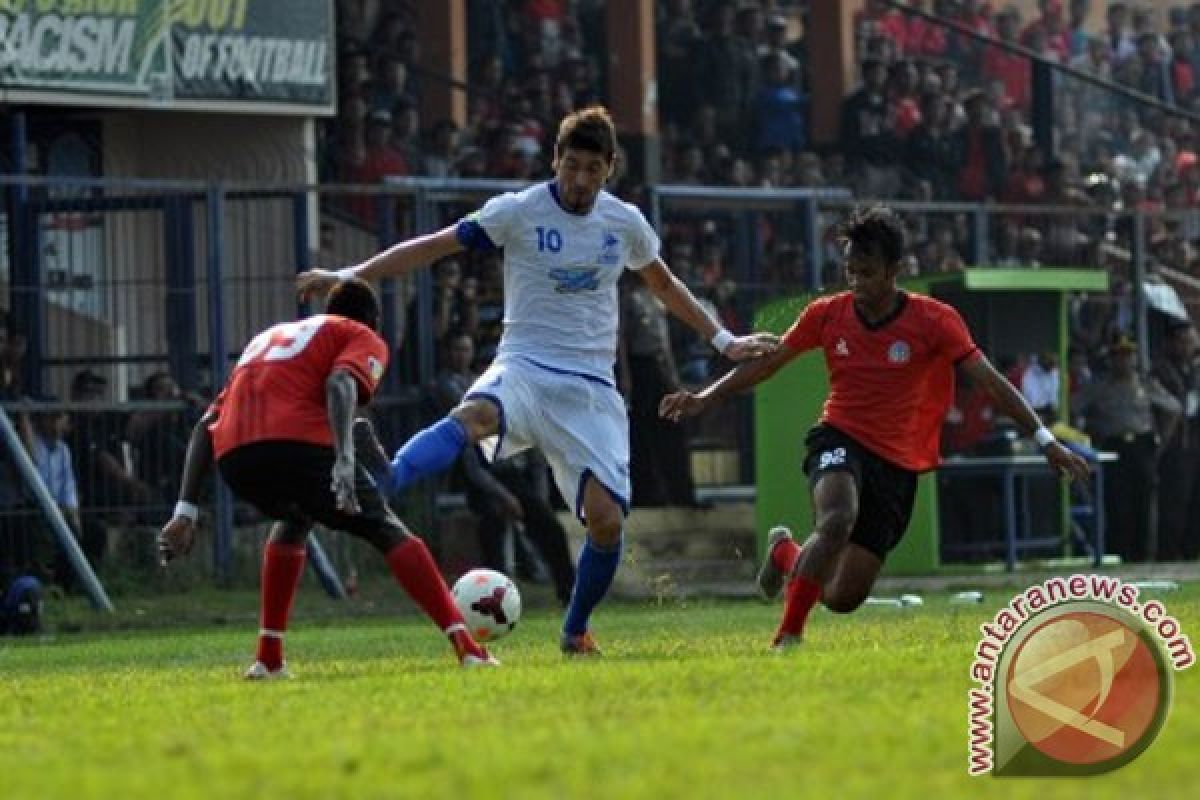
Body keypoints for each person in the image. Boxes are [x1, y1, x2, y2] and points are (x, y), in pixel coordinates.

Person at [297, 106, 777, 655]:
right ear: (555, 159)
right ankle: (376, 489)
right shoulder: (519, 212)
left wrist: (725, 342)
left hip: (591, 389)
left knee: (605, 522)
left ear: (609, 168)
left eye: (591, 169)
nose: (578, 180)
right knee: (472, 416)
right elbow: (433, 244)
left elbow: (664, 286)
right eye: (570, 165)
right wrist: (349, 275)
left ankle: (575, 631)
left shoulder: (623, 223)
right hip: (523, 364)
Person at [660, 207, 1090, 650]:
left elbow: (992, 383)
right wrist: (705, 397)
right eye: (850, 271)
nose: (856, 282)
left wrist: (1045, 440)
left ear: (894, 271)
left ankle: (785, 554)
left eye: (866, 272)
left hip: (897, 462)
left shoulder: (935, 321)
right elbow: (768, 363)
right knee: (836, 519)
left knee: (842, 596)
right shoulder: (827, 314)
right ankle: (787, 639)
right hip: (839, 436)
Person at [156, 279, 497, 677]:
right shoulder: (359, 334)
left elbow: (205, 424)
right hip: (299, 445)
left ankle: (268, 659)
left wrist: (186, 510)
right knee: (386, 528)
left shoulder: (267, 339)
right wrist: (344, 458)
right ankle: (468, 648)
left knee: (295, 517)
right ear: (374, 319)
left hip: (236, 459)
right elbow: (340, 383)